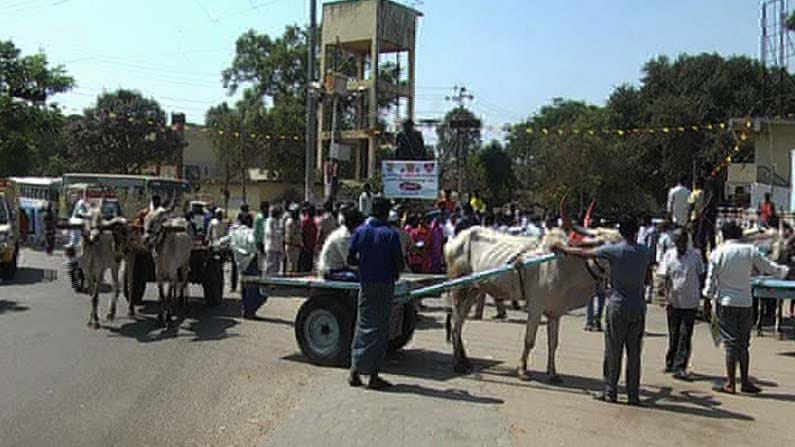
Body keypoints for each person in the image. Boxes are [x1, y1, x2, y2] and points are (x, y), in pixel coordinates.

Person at [553, 214, 652, 405]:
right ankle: (633, 394)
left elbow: (585, 253)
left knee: (613, 350)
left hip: (618, 303)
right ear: (637, 231)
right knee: (634, 353)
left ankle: (610, 391)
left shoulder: (614, 250)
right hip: (638, 305)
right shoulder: (645, 251)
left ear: (621, 232)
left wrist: (562, 248)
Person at [703, 221, 789, 394]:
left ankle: (730, 383)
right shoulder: (750, 251)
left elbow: (711, 280)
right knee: (743, 345)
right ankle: (744, 381)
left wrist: (707, 299)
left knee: (730, 345)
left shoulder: (718, 252)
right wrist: (785, 271)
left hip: (726, 303)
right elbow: (769, 267)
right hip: (746, 302)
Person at [347, 197, 404, 389]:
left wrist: (364, 266)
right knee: (380, 329)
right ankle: (373, 376)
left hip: (366, 284)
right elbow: (398, 263)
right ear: (386, 213)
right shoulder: (390, 234)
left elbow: (350, 258)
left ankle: (354, 371)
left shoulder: (360, 231)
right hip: (384, 284)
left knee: (362, 324)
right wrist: (393, 274)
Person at [659, 227, 705, 380]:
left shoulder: (695, 256)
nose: (680, 243)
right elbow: (664, 277)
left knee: (685, 334)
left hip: (691, 301)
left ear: (687, 241)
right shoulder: (669, 255)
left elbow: (701, 274)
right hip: (673, 301)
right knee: (674, 334)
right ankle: (670, 362)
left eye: (683, 240)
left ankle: (681, 366)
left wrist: (704, 297)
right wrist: (665, 296)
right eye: (677, 240)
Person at [317, 209, 365, 279]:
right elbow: (350, 262)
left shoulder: (348, 233)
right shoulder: (344, 237)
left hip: (341, 268)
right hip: (330, 271)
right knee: (360, 277)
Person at [263, 206, 285, 275]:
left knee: (277, 266)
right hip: (271, 246)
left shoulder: (277, 221)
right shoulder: (270, 221)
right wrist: (279, 232)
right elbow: (269, 233)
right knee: (271, 265)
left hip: (277, 247)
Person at [298, 205, 318, 272]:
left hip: (311, 245)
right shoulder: (305, 221)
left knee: (310, 264)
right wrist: (303, 244)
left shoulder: (313, 221)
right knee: (305, 265)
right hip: (306, 246)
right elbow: (302, 233)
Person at [284, 205, 302, 274]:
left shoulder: (299, 221)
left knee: (295, 265)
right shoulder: (290, 222)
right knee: (290, 265)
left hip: (297, 245)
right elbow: (290, 235)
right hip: (291, 245)